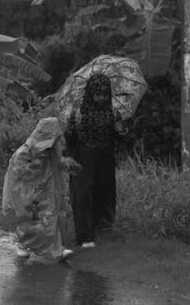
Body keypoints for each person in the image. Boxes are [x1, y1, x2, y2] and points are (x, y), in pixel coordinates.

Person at [2, 117, 81, 262]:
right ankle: (23, 243)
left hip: (47, 193)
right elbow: (18, 171)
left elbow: (58, 163)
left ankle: (56, 249)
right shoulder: (25, 151)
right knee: (29, 220)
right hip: (28, 194)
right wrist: (33, 166)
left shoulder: (52, 152)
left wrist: (68, 164)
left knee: (50, 220)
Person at [64, 74, 127, 248]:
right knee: (83, 195)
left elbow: (120, 137)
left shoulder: (113, 112)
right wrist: (68, 152)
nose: (102, 98)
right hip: (82, 157)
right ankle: (85, 236)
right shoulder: (78, 111)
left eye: (105, 94)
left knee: (103, 193)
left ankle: (103, 229)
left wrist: (121, 130)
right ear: (90, 93)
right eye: (98, 94)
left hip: (105, 157)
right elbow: (68, 137)